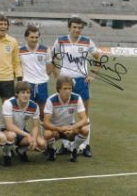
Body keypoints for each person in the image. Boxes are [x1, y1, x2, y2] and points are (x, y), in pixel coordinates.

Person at [52, 17, 101, 157]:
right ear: (69, 27)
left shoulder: (87, 41)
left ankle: (86, 145)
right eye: (74, 27)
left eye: (79, 28)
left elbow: (99, 57)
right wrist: (56, 74)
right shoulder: (60, 40)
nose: (77, 30)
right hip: (65, 81)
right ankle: (66, 145)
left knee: (84, 114)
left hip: (81, 81)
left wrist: (93, 74)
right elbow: (52, 57)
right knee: (63, 114)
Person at [43, 76, 88, 162]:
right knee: (47, 134)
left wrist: (73, 127)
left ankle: (73, 149)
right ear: (59, 89)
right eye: (65, 88)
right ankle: (52, 150)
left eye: (69, 88)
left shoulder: (77, 98)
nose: (68, 91)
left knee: (85, 130)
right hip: (56, 129)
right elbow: (46, 123)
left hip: (70, 128)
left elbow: (84, 119)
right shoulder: (51, 100)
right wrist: (59, 129)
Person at [2, 81, 46, 166]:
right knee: (11, 136)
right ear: (17, 93)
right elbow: (9, 126)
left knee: (42, 144)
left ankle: (20, 151)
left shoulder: (34, 106)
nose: (26, 95)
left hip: (21, 132)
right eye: (23, 92)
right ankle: (7, 155)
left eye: (28, 93)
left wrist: (33, 138)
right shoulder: (9, 103)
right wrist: (27, 135)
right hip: (6, 131)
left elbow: (35, 126)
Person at [19, 25, 53, 121]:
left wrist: (42, 77)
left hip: (42, 84)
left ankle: (43, 134)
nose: (34, 39)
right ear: (26, 37)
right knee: (24, 113)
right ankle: (24, 133)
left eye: (36, 37)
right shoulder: (20, 51)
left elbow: (50, 67)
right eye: (32, 37)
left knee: (42, 112)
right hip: (27, 85)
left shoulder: (45, 49)